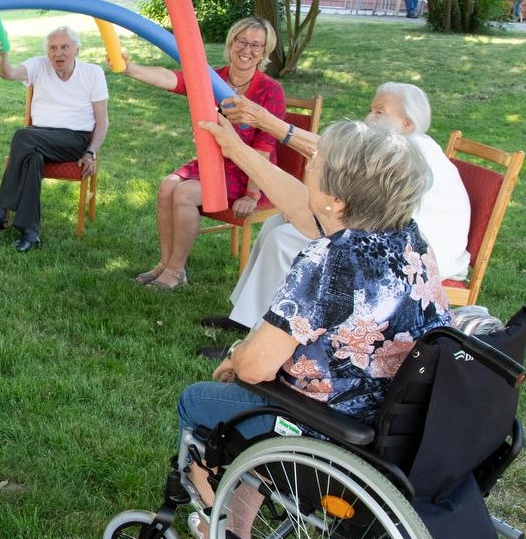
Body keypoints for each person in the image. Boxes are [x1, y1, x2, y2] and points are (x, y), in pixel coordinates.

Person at [175, 116, 451, 539]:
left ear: (336, 198)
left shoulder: (326, 262)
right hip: (398, 418)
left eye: (317, 159)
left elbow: (257, 366)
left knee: (200, 402)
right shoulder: (405, 235)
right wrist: (234, 147)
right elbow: (309, 213)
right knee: (246, 408)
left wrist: (235, 357)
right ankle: (237, 537)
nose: (309, 159)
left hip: (330, 429)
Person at [200, 83, 470, 351]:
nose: (370, 117)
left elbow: (331, 159)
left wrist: (264, 122)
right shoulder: (402, 146)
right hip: (391, 238)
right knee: (276, 223)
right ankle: (247, 316)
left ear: (408, 124)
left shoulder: (402, 152)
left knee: (286, 240)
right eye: (371, 109)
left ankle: (261, 336)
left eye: (379, 111)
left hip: (417, 256)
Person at [119, 17, 285, 289]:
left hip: (249, 173)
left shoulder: (271, 91)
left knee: (184, 193)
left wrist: (252, 194)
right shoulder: (213, 78)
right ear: (231, 43)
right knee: (167, 186)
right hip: (212, 163)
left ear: (264, 51)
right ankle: (164, 263)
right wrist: (130, 68)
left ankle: (175, 272)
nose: (247, 49)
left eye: (256, 45)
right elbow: (172, 78)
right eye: (241, 41)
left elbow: (264, 148)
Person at [0, 26, 108, 252]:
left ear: (77, 49)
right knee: (32, 159)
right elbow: (8, 73)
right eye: (53, 48)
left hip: (73, 141)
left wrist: (91, 152)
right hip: (39, 138)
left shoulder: (93, 73)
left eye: (64, 47)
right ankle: (30, 233)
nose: (58, 53)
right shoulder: (39, 65)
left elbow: (103, 121)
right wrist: (4, 55)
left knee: (23, 136)